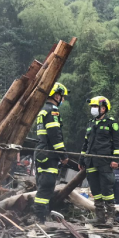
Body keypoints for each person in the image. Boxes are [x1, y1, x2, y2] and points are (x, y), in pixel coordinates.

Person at [79, 96, 119, 225]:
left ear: (103, 108)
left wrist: (116, 159)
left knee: (107, 190)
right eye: (92, 107)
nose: (93, 109)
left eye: (95, 107)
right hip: (91, 161)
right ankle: (99, 217)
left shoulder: (111, 123)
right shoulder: (90, 123)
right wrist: (82, 160)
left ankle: (110, 217)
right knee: (95, 191)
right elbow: (86, 144)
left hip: (105, 162)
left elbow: (118, 143)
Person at [33, 83, 70, 223]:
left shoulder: (42, 111)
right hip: (49, 154)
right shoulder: (53, 112)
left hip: (41, 152)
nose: (63, 100)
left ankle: (42, 214)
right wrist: (63, 155)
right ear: (56, 95)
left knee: (41, 185)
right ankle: (40, 217)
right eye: (62, 96)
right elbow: (55, 136)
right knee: (47, 186)